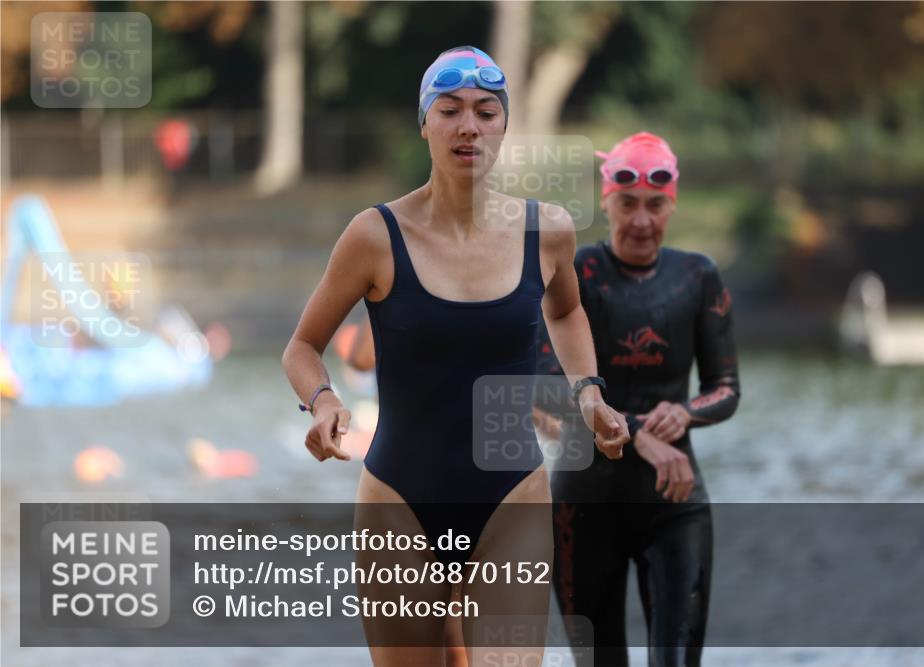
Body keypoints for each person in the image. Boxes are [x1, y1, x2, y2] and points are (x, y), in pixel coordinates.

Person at [282, 46, 631, 667]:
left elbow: (566, 310)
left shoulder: (545, 229)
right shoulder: (375, 236)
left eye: (486, 112)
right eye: (450, 110)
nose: (469, 126)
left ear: (503, 125)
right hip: (399, 502)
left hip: (512, 498)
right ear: (425, 122)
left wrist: (589, 391)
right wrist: (323, 401)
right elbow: (303, 347)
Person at [535, 131, 740, 667]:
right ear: (606, 202)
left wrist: (687, 410)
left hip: (674, 505)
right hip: (583, 508)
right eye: (627, 204)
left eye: (655, 205)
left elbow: (726, 389)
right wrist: (643, 434)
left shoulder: (697, 276)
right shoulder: (576, 274)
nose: (642, 221)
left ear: (672, 204)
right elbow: (541, 385)